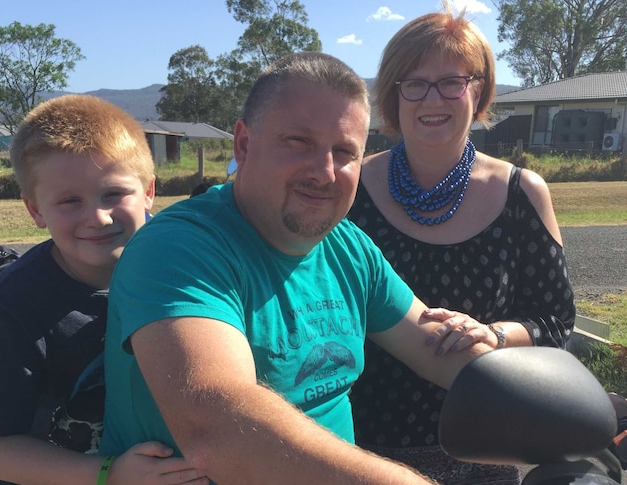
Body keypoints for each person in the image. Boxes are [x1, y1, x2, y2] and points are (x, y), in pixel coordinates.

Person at [100, 51, 497, 485]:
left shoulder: (348, 248)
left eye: (345, 152)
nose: (324, 172)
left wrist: (542, 404)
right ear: (244, 145)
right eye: (299, 142)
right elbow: (218, 429)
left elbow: (436, 348)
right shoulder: (180, 249)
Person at [347, 6, 576, 484]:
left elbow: (554, 320)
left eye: (452, 81)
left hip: (483, 451)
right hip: (357, 450)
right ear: (394, 95)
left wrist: (492, 334)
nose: (433, 98)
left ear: (478, 88)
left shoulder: (522, 193)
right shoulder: (351, 186)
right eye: (414, 82)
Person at [0, 95, 205, 485]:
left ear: (148, 192)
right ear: (35, 210)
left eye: (114, 194)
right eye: (70, 201)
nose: (97, 216)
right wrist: (110, 475)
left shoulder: (191, 270)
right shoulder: (14, 306)